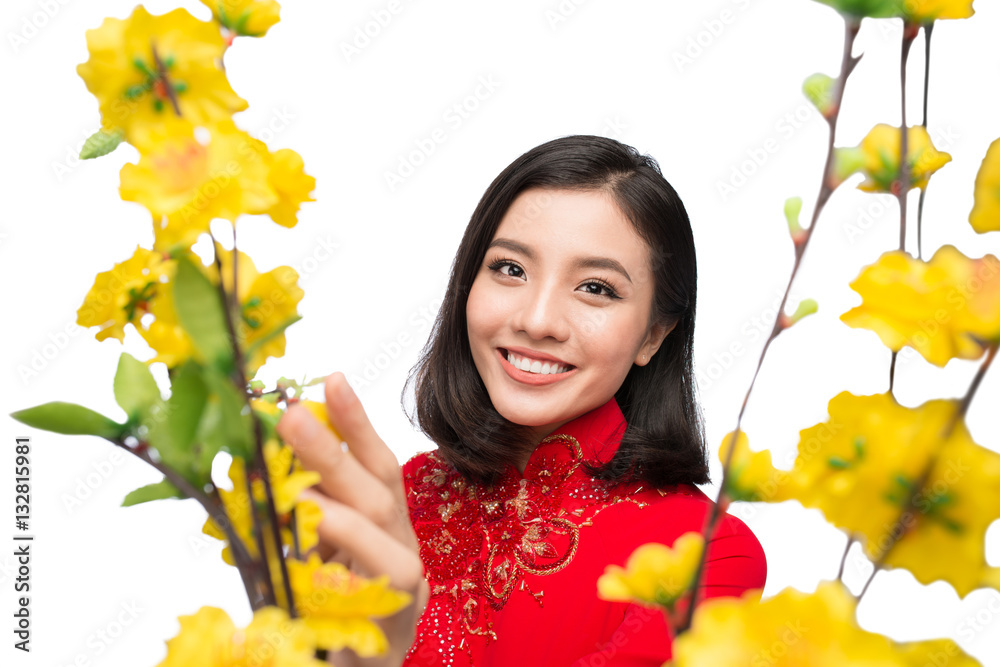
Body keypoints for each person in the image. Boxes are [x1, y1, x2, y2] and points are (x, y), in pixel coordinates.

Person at [277, 135, 767, 666]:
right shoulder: (387, 509)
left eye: (596, 288)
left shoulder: (709, 555)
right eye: (510, 269)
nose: (536, 320)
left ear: (654, 335)